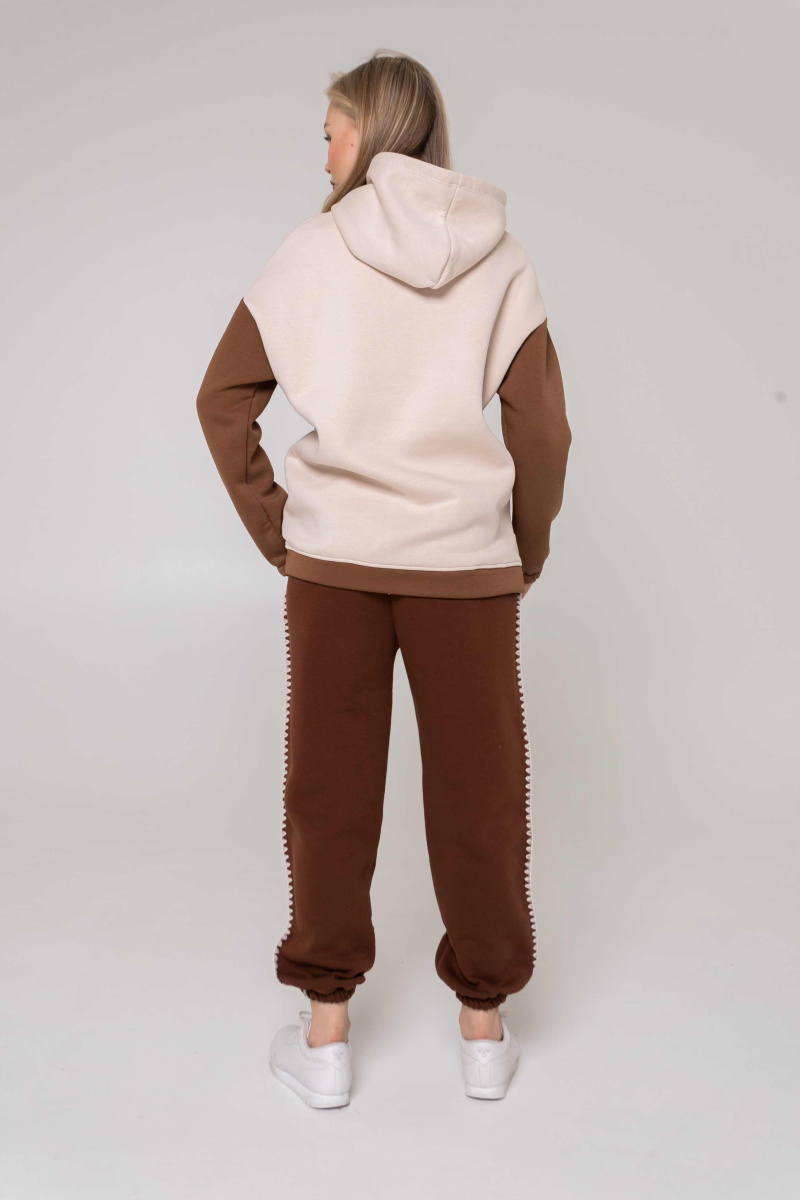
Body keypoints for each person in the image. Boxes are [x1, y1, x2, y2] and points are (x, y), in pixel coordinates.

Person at [195, 48, 571, 1106]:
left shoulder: (311, 250)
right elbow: (542, 430)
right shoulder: (502, 258)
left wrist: (279, 528)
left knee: (330, 789)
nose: (322, 153)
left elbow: (221, 399)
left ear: (366, 132)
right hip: (466, 567)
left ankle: (324, 1038)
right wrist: (522, 547)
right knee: (480, 794)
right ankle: (484, 1030)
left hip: (336, 566)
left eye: (329, 131)